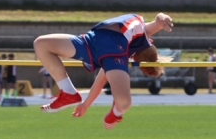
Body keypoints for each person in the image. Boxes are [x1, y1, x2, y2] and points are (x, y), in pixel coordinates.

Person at [34, 13, 172, 129]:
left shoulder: (128, 49)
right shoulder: (141, 32)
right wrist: (164, 19)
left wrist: (87, 104)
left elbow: (100, 81)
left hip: (106, 46)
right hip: (93, 39)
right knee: (41, 44)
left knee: (124, 102)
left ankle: (116, 113)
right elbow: (159, 20)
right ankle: (68, 92)